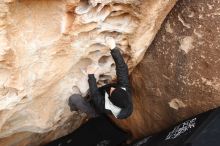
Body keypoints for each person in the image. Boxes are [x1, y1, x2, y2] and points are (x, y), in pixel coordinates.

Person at [69, 37, 133, 119]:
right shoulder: (125, 89)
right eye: (115, 88)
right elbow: (122, 69)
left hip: (96, 108)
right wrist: (113, 48)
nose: (112, 88)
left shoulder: (105, 107)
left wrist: (91, 75)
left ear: (112, 101)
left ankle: (75, 109)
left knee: (75, 99)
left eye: (112, 92)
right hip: (104, 94)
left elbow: (95, 95)